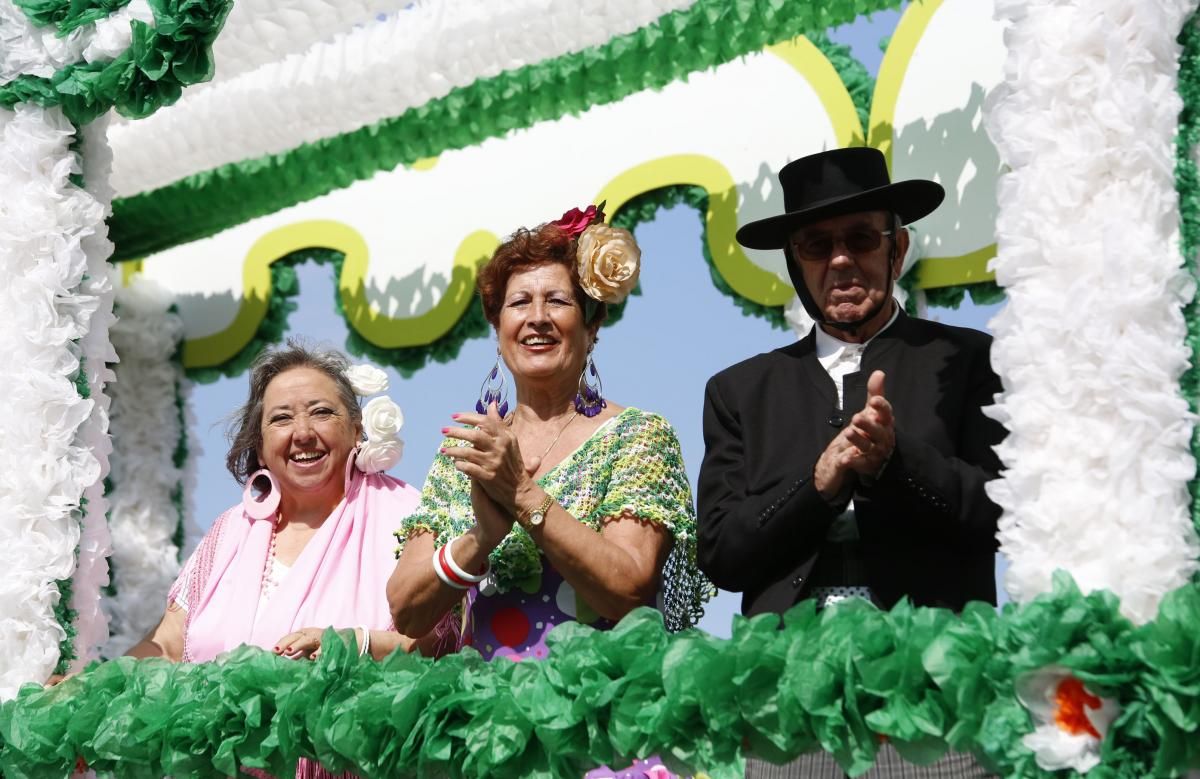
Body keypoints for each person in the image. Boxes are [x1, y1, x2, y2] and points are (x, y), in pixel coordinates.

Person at [697, 147, 1003, 778]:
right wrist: (817, 485)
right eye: (816, 245)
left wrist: (898, 461)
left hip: (933, 706)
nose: (840, 260)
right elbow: (722, 553)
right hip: (789, 711)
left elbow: (1002, 512)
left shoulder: (968, 360)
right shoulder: (740, 392)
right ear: (794, 264)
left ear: (897, 248)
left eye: (861, 238)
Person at [388, 204, 709, 776]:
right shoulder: (465, 451)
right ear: (498, 329)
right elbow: (407, 608)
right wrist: (479, 542)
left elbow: (628, 587)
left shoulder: (636, 436)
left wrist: (525, 498)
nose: (537, 318)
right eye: (519, 303)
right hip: (495, 744)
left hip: (610, 742)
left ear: (592, 326)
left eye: (557, 301)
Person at [129, 341, 424, 778]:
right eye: (281, 418)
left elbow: (437, 646)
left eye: (322, 412)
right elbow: (168, 644)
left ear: (357, 430)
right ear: (261, 446)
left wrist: (352, 645)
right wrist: (89, 688)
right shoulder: (230, 530)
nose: (302, 432)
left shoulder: (408, 516)